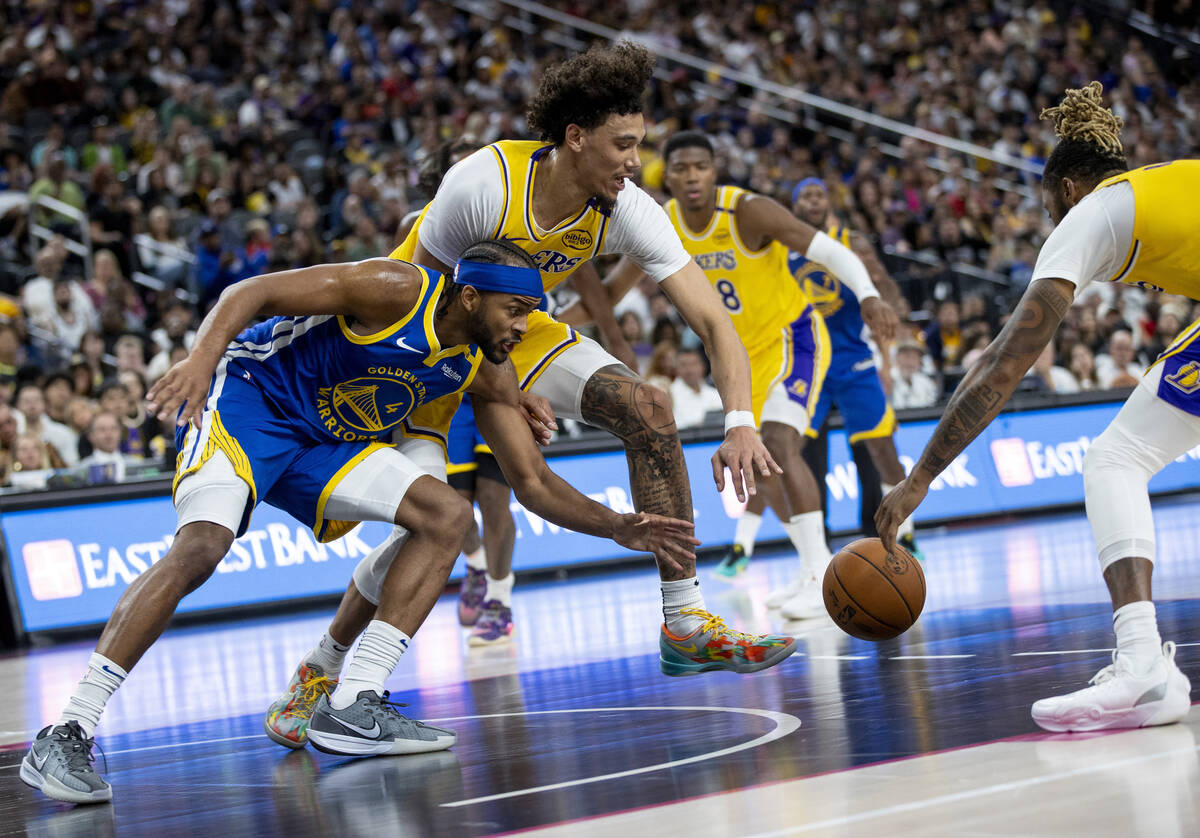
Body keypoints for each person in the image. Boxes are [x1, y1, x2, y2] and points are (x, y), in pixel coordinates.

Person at [22, 241, 705, 804]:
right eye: (516, 309)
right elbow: (253, 291)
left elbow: (532, 481)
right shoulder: (394, 289)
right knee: (203, 548)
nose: (526, 326)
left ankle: (355, 697)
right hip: (248, 405)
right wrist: (200, 361)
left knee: (445, 515)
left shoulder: (485, 368)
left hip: (323, 443)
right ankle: (68, 729)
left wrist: (618, 525)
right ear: (471, 296)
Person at [266, 42, 789, 743]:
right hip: (421, 345)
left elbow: (711, 321)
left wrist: (740, 420)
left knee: (649, 408)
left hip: (512, 332)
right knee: (428, 524)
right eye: (623, 144)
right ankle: (324, 672)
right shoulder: (482, 184)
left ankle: (686, 620)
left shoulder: (625, 206)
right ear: (575, 138)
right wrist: (502, 388)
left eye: (640, 143)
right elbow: (425, 314)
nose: (638, 161)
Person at [877, 82, 1195, 733]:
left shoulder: (1091, 215)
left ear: (1068, 189)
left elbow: (1002, 364)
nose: (1049, 219)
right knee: (1120, 455)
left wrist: (919, 478)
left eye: (1047, 205)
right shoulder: (1163, 189)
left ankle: (1142, 666)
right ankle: (1149, 677)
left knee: (1116, 459)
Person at [657, 131, 895, 619]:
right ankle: (812, 565)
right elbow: (619, 281)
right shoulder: (664, 222)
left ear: (714, 168)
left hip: (794, 337)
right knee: (759, 465)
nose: (692, 176)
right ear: (668, 175)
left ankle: (819, 574)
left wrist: (868, 292)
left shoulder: (747, 211)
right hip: (739, 355)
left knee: (781, 444)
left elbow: (826, 250)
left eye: (700, 166)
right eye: (680, 169)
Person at [717, 176, 919, 572]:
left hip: (853, 360)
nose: (812, 200)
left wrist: (890, 352)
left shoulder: (851, 243)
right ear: (794, 205)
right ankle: (805, 548)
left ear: (828, 201)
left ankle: (906, 533)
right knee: (783, 450)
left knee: (880, 448)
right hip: (803, 360)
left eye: (818, 194)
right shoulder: (778, 244)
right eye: (803, 195)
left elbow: (882, 289)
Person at [447, 393, 520, 645]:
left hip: (497, 392)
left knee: (493, 499)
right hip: (450, 398)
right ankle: (477, 564)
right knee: (453, 509)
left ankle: (499, 602)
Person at [669, 347, 722, 429]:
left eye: (694, 364)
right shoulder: (669, 394)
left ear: (703, 366)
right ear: (676, 368)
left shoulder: (716, 393)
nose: (690, 370)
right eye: (683, 365)